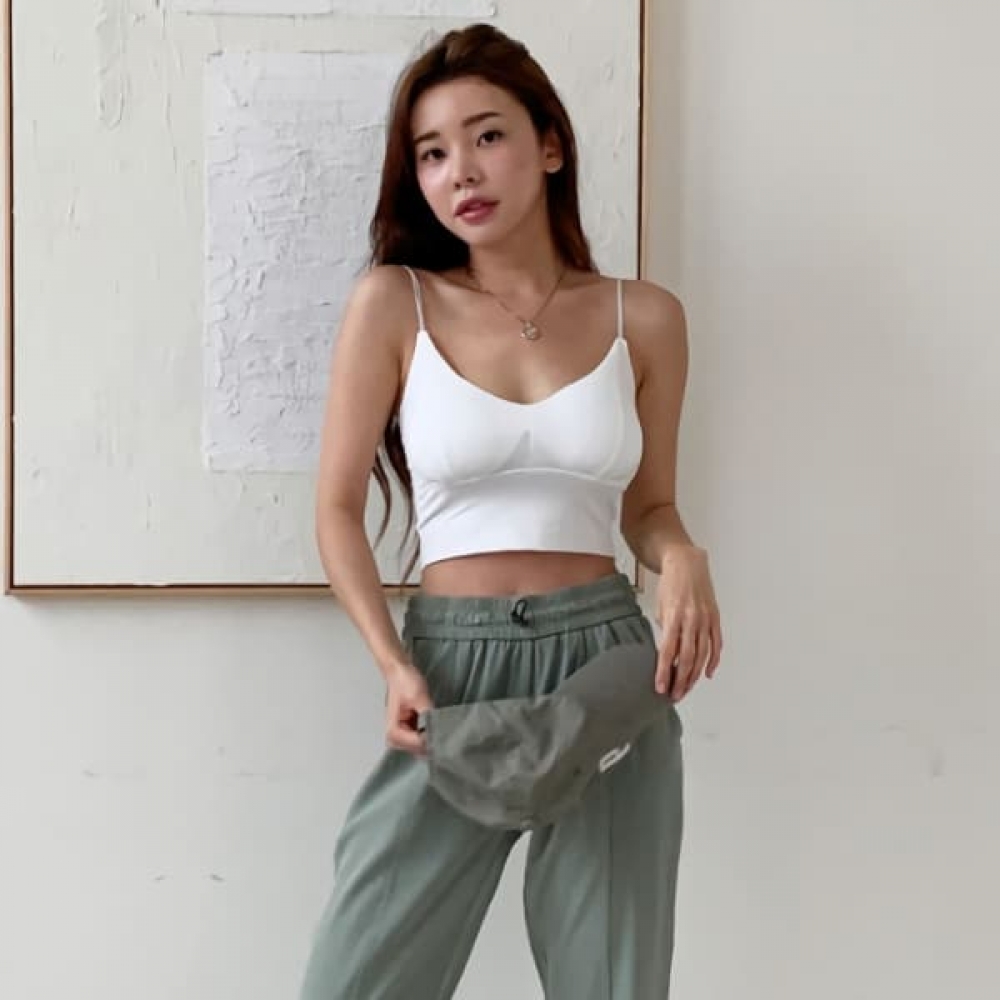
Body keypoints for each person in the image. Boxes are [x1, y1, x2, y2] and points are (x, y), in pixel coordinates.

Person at [300, 22, 723, 1000]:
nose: (460, 171)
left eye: (486, 136)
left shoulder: (645, 317)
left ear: (549, 145)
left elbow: (650, 505)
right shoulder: (394, 303)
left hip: (605, 662)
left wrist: (682, 554)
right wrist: (392, 661)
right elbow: (334, 508)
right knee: (355, 979)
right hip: (451, 671)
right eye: (431, 153)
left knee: (612, 981)